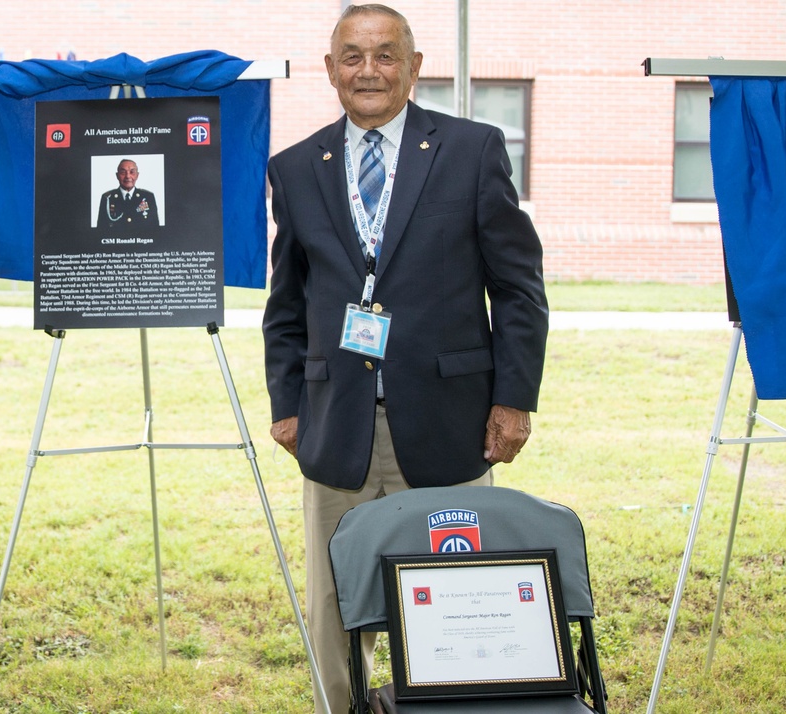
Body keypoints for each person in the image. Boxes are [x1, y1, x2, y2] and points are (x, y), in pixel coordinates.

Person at [262, 4, 549, 712]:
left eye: (386, 55)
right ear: (331, 69)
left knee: (454, 606)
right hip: (336, 429)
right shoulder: (295, 168)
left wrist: (514, 400)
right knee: (336, 604)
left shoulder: (472, 150)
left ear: (415, 67)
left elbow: (518, 289)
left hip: (450, 424)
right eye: (352, 57)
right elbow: (287, 307)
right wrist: (288, 407)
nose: (369, 71)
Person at [96, 158, 160, 230]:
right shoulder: (107, 198)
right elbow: (101, 229)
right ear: (117, 175)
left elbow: (155, 229)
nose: (128, 176)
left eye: (132, 172)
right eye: (123, 172)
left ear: (137, 175)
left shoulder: (148, 197)